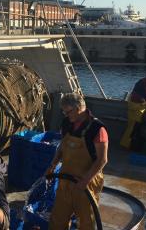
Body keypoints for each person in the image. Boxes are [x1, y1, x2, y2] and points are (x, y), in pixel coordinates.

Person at [46, 93, 108, 230]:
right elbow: (62, 146)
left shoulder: (97, 129)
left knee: (86, 223)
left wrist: (84, 181)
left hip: (87, 184)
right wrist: (53, 165)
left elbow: (102, 160)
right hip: (65, 180)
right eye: (64, 112)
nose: (66, 115)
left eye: (69, 111)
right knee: (57, 220)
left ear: (80, 107)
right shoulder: (67, 123)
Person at [120, 73, 146, 150]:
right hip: (136, 107)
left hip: (132, 105)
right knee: (133, 128)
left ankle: (125, 144)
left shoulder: (141, 80)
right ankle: (126, 145)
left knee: (130, 127)